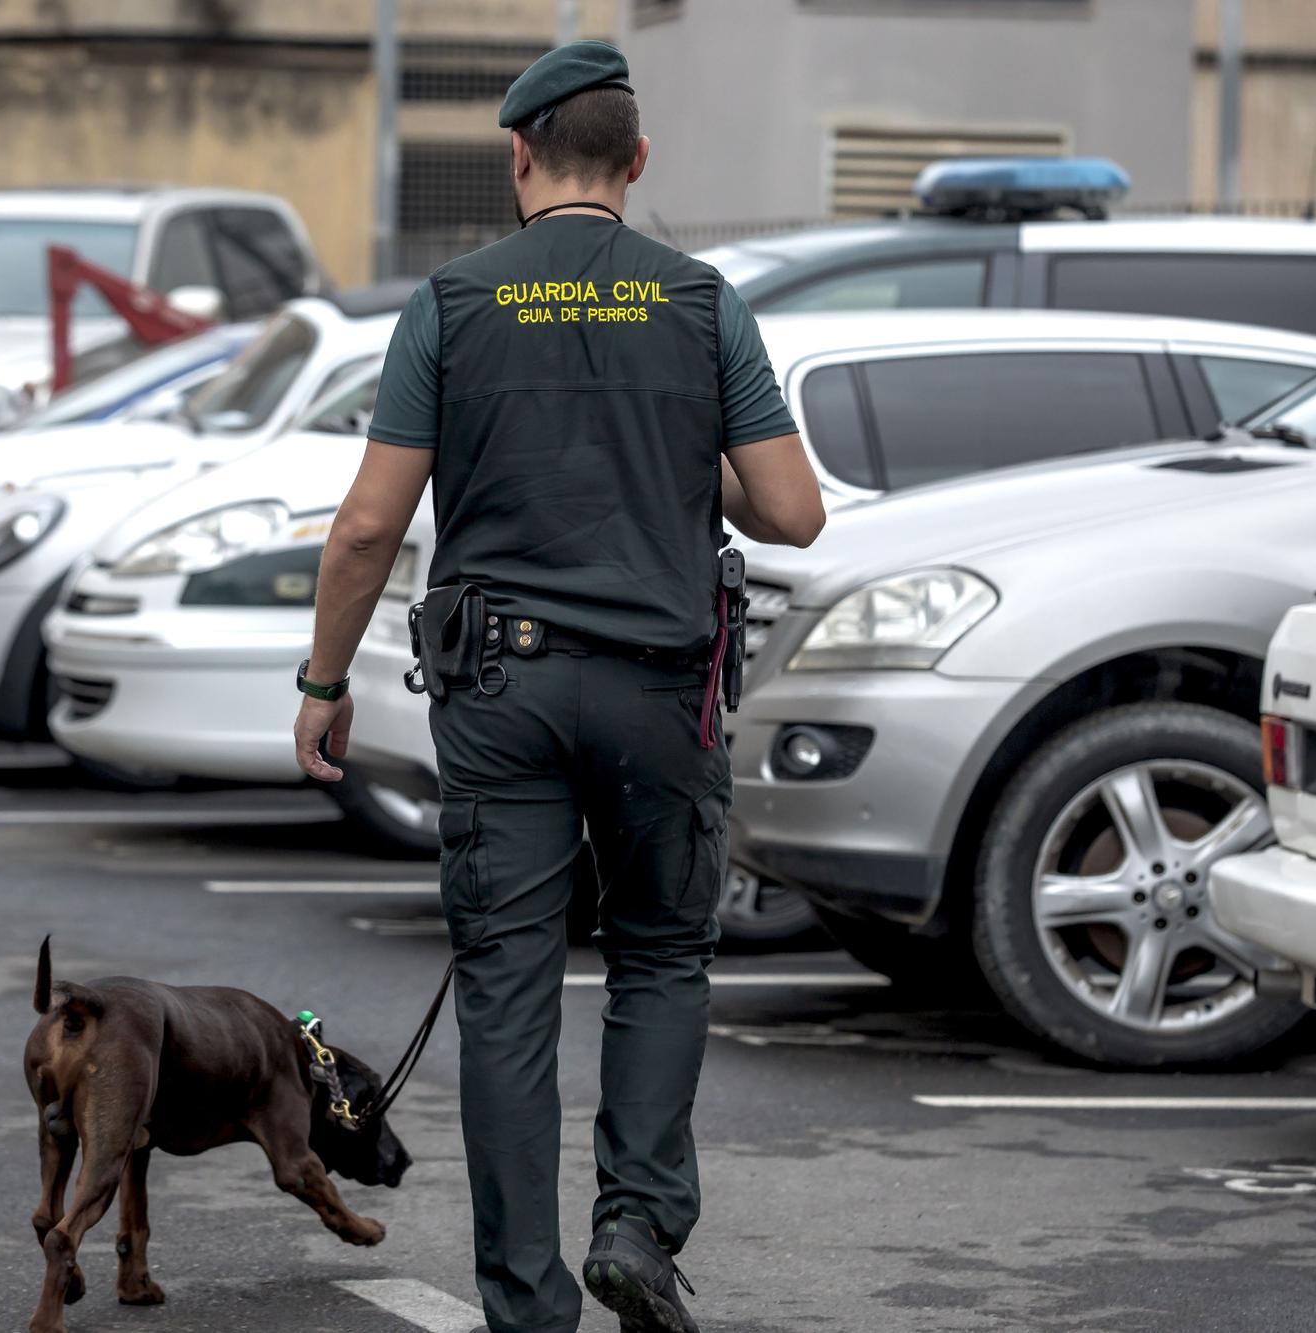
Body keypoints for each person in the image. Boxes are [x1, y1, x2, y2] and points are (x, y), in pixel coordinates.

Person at [292, 38, 824, 1333]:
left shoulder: (453, 303)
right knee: (660, 957)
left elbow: (368, 526)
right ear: (637, 162)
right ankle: (638, 1223)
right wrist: (672, 458)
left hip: (502, 691)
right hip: (662, 691)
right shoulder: (704, 304)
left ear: (517, 157)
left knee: (510, 988)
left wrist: (322, 680)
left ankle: (528, 1303)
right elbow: (793, 514)